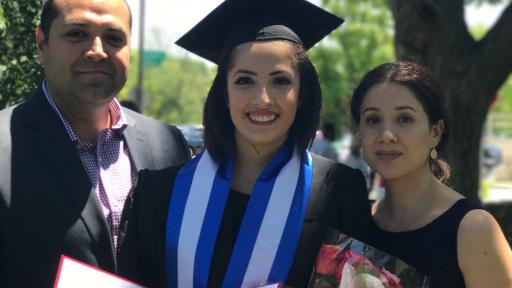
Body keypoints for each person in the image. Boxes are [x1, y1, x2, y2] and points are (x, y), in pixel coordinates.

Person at [120, 0, 371, 287]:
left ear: (301, 94)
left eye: (280, 81)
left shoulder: (339, 192)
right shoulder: (159, 192)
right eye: (244, 81)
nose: (262, 98)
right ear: (225, 94)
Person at [0, 0, 190, 287]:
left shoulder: (168, 145)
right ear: (41, 44)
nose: (97, 51)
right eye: (77, 34)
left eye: (114, 38)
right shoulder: (4, 145)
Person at [350, 61, 512, 287]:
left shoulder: (474, 229)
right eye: (373, 120)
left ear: (435, 132)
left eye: (404, 119)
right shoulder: (354, 222)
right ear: (359, 132)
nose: (386, 135)